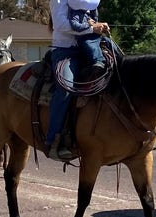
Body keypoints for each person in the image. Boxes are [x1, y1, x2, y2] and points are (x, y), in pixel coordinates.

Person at [47, 0, 110, 161]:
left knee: (116, 68)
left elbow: (89, 18)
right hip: (65, 50)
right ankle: (54, 139)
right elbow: (60, 25)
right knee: (65, 88)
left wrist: (98, 25)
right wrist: (91, 28)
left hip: (89, 47)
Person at [67, 0, 106, 72]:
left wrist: (102, 26)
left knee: (108, 42)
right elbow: (75, 26)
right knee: (89, 44)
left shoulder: (91, 10)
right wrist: (88, 24)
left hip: (96, 35)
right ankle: (99, 61)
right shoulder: (75, 13)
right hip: (84, 37)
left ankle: (117, 56)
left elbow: (95, 20)